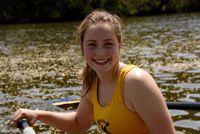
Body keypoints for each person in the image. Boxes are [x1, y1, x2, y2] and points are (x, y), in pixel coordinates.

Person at [13, 10, 176, 134]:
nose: (100, 52)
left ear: (119, 45)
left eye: (108, 44)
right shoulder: (91, 80)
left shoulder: (136, 82)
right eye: (92, 44)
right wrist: (38, 114)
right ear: (82, 47)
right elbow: (79, 123)